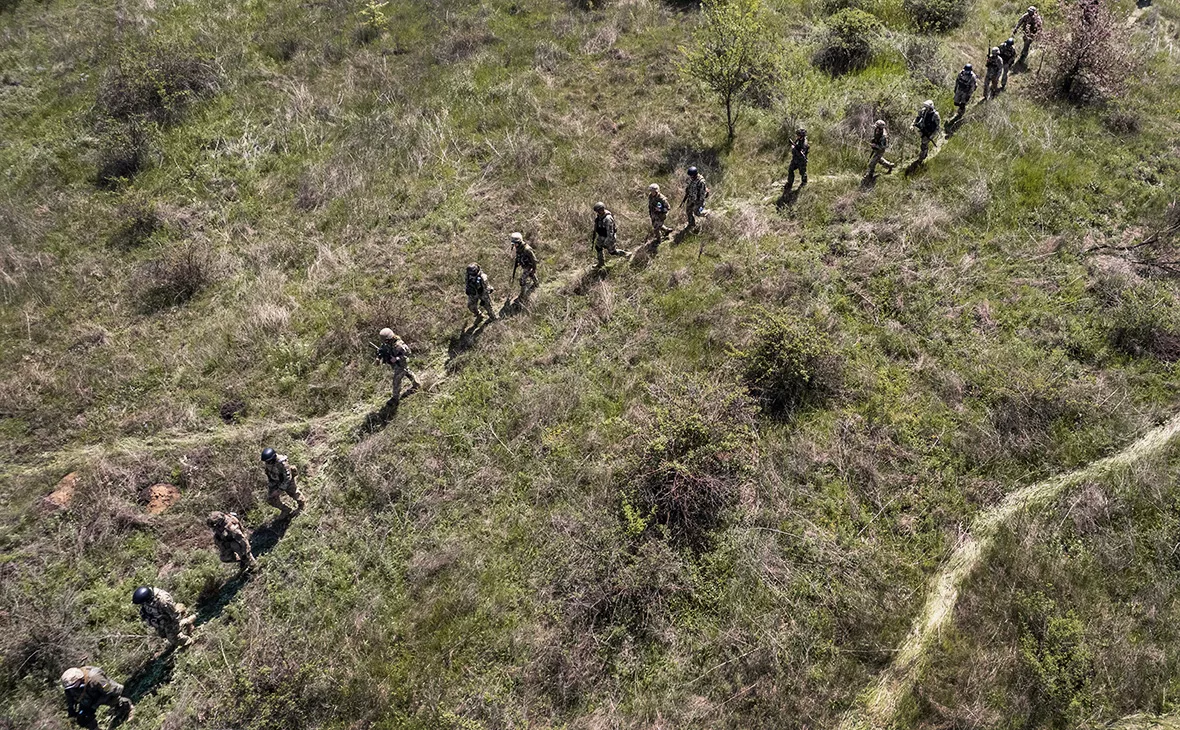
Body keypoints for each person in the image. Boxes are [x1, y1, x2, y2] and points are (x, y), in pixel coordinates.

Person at [61, 666, 134, 729]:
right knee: (83, 717)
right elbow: (69, 695)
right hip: (89, 696)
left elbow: (109, 691)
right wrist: (71, 708)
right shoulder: (72, 687)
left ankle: (128, 707)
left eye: (73, 686)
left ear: (79, 679)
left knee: (113, 699)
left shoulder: (95, 677)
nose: (72, 689)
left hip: (106, 692)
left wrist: (94, 706)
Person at [375, 328, 419, 407]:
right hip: (396, 365)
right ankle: (417, 384)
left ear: (389, 338)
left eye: (385, 341)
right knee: (407, 372)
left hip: (401, 363)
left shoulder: (399, 345)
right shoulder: (387, 343)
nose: (384, 342)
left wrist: (397, 358)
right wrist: (378, 357)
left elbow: (408, 353)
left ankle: (395, 398)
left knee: (396, 381)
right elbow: (382, 349)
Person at [260, 447, 304, 519]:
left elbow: (287, 478)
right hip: (276, 480)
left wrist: (279, 490)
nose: (266, 463)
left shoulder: (282, 463)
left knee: (293, 492)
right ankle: (285, 510)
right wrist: (272, 489)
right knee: (271, 499)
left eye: (268, 461)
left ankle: (301, 505)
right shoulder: (268, 463)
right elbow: (269, 474)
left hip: (286, 481)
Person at [591, 202, 629, 267]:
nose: (597, 213)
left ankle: (626, 254)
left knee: (612, 252)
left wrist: (607, 242)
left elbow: (610, 232)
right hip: (601, 236)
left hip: (609, 237)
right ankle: (601, 263)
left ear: (602, 210)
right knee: (598, 247)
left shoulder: (608, 219)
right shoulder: (599, 217)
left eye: (598, 211)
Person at [912, 100, 941, 165]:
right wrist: (913, 124)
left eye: (927, 106)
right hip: (922, 130)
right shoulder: (923, 111)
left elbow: (937, 126)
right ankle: (925, 153)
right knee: (923, 143)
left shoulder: (935, 115)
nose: (926, 108)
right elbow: (918, 118)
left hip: (929, 133)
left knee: (923, 145)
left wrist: (932, 135)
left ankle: (921, 159)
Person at [681, 166, 708, 231]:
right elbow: (689, 188)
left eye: (691, 176)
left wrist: (699, 204)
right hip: (691, 198)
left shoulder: (701, 182)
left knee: (697, 213)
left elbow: (702, 194)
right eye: (690, 176)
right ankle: (691, 224)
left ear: (695, 174)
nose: (690, 177)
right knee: (688, 211)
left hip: (698, 200)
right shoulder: (692, 179)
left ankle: (707, 213)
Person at [784, 128, 810, 194]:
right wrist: (794, 146)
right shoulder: (798, 140)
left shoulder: (804, 143)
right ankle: (790, 183)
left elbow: (801, 154)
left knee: (802, 173)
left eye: (798, 135)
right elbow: (796, 146)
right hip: (795, 159)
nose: (797, 136)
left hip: (801, 161)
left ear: (802, 136)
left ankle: (804, 183)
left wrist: (794, 148)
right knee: (790, 170)